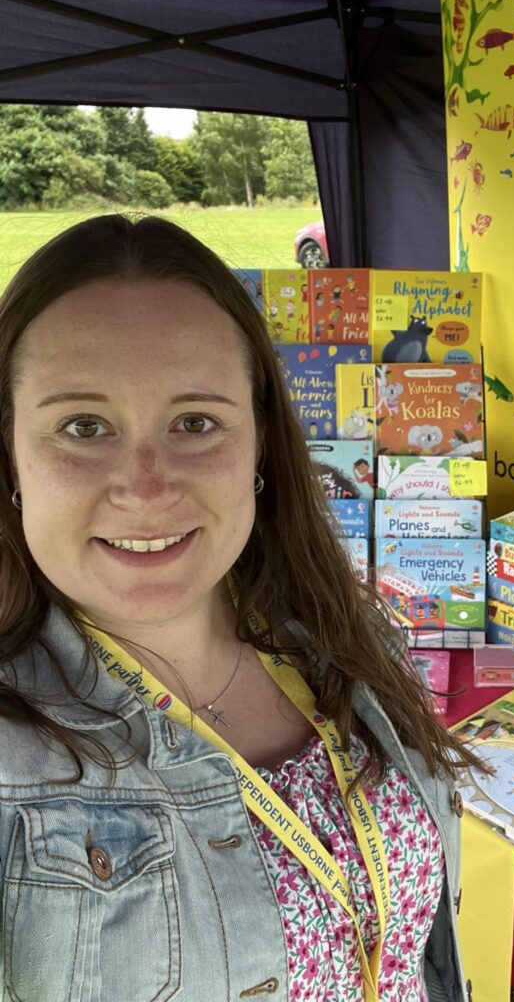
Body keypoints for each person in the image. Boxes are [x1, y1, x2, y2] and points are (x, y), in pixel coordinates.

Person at [0, 214, 482, 1002]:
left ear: (260, 443)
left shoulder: (342, 634)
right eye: (83, 427)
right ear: (11, 455)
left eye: (196, 423)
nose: (146, 487)